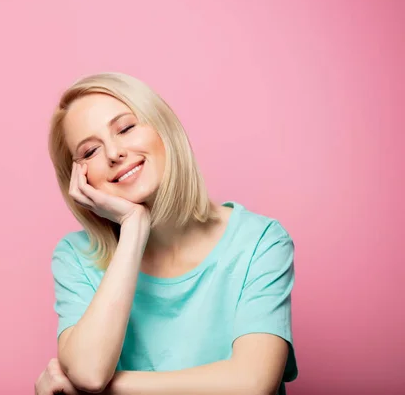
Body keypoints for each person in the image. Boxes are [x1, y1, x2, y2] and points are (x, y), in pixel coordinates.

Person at [34, 72, 298, 395]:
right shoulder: (75, 256)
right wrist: (134, 228)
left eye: (126, 128)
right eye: (90, 152)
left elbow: (252, 384)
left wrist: (105, 388)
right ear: (79, 178)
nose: (115, 153)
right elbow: (89, 372)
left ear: (162, 127)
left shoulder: (260, 242)